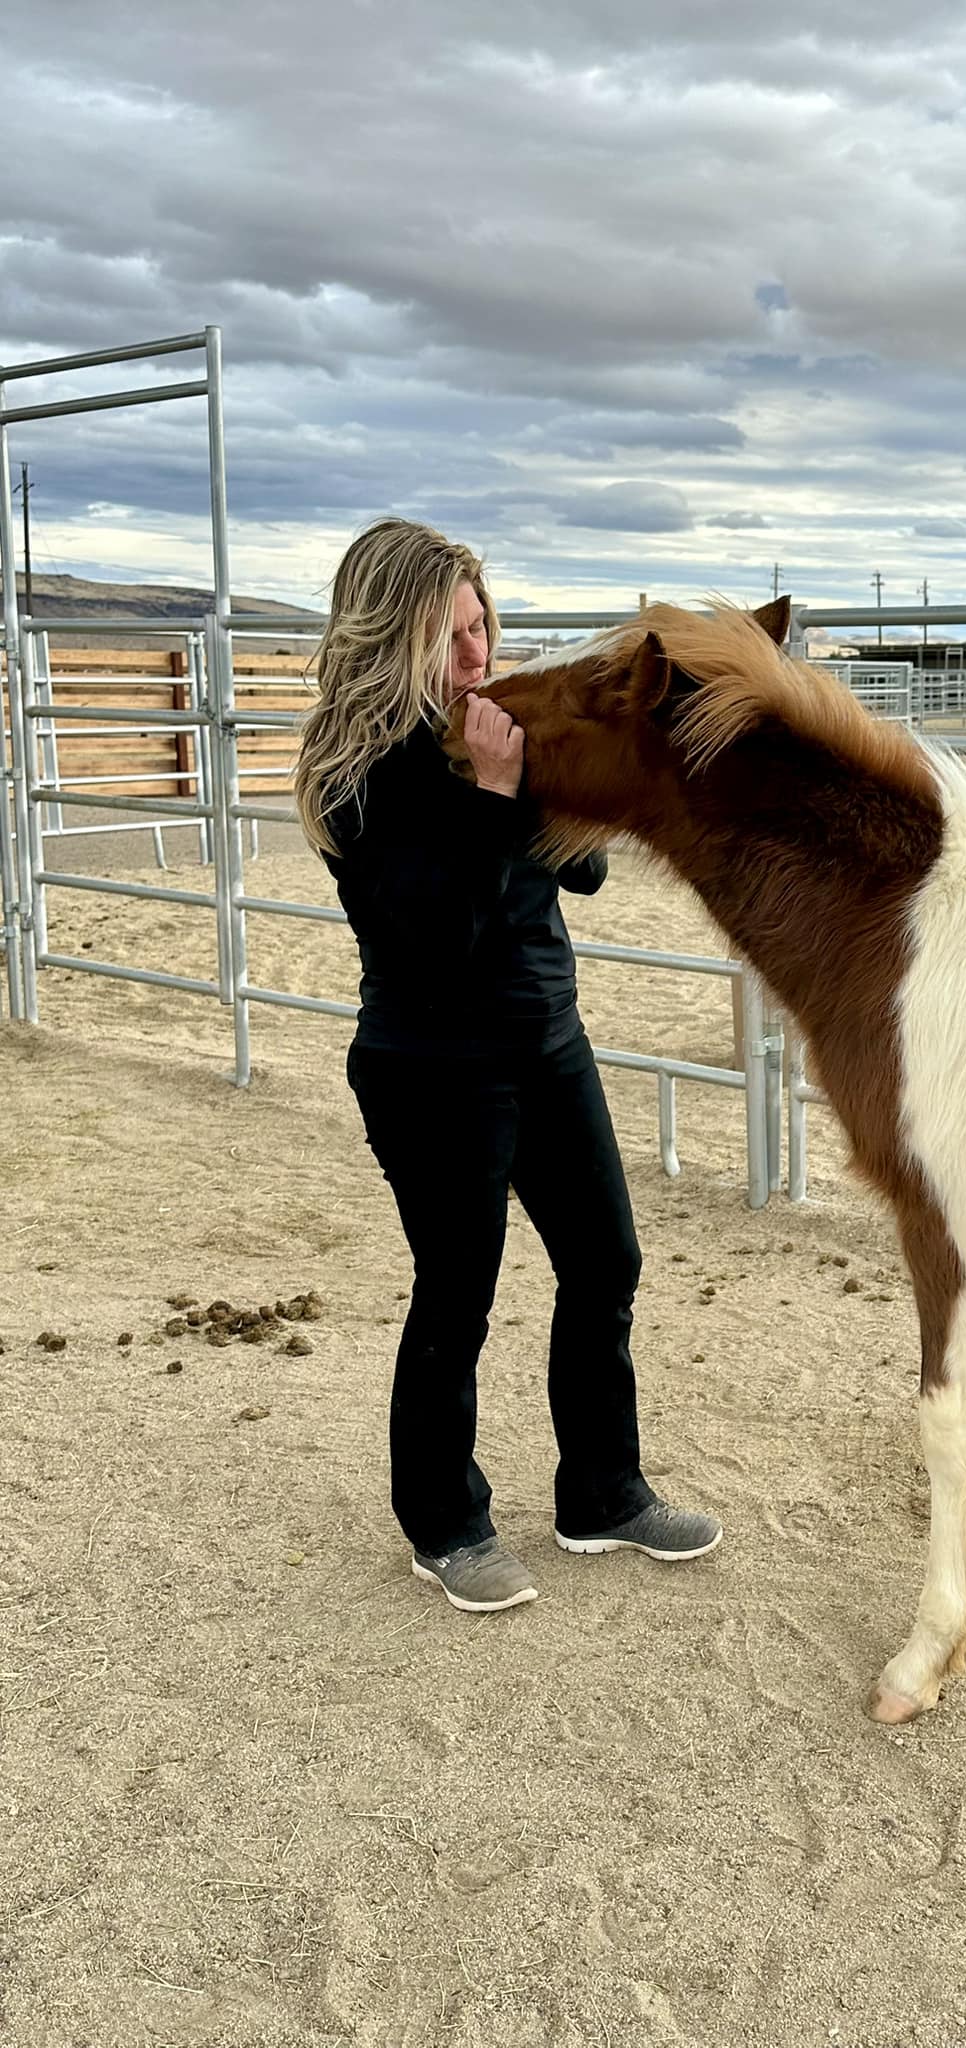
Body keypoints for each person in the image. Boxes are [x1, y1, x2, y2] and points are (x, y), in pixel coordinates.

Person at [294, 518, 722, 1613]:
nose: (478, 655)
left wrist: (553, 772)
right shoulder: (357, 772)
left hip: (545, 1042)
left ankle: (603, 1492)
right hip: (431, 1062)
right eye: (449, 636)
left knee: (606, 1263)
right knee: (458, 1293)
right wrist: (494, 791)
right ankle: (445, 1523)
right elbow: (438, 935)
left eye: (481, 625)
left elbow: (577, 882)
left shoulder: (494, 725)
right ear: (389, 638)